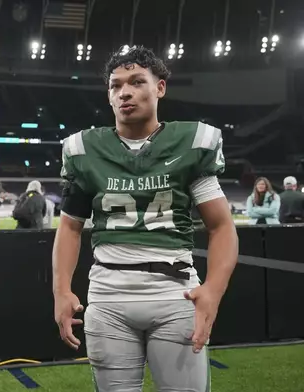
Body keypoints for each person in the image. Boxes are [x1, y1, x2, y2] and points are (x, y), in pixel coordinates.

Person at [52, 46, 238, 392]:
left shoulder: (191, 142)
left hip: (174, 294)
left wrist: (212, 289)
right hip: (108, 297)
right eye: (116, 85)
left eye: (137, 82)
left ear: (160, 88)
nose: (125, 92)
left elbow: (221, 225)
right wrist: (61, 290)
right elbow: (70, 225)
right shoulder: (84, 149)